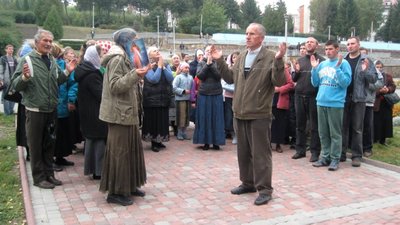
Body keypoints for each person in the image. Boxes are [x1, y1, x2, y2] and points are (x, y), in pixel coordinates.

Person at [210, 23, 286, 205]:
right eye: (246, 34)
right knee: (243, 152)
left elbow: (279, 80)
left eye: (252, 34)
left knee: (261, 154)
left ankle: (265, 189)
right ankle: (248, 182)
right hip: (240, 112)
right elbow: (230, 78)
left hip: (259, 113)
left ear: (261, 37)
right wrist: (219, 60)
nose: (247, 37)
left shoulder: (269, 57)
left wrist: (279, 60)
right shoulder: (242, 55)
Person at [10, 29, 77, 189]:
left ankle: (49, 175)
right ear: (37, 42)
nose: (48, 44)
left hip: (51, 109)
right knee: (36, 145)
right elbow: (15, 84)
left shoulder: (51, 60)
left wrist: (67, 71)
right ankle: (39, 178)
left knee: (49, 144)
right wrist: (25, 77)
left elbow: (58, 80)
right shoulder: (27, 59)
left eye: (50, 41)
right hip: (35, 110)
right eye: (45, 40)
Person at [99, 28, 149, 206]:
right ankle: (116, 192)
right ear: (127, 40)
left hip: (128, 113)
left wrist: (137, 75)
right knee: (120, 153)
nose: (137, 41)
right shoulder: (118, 59)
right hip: (119, 114)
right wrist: (135, 75)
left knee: (132, 151)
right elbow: (114, 86)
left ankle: (129, 185)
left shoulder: (126, 57)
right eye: (134, 38)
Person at [311, 40, 352, 171]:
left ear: (337, 49)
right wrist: (314, 69)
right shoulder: (322, 64)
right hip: (321, 101)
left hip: (335, 103)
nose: (328, 51)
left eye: (330, 49)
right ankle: (325, 157)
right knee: (323, 132)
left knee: (335, 133)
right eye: (326, 49)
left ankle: (335, 159)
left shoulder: (344, 64)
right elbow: (315, 83)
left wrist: (338, 68)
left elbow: (345, 83)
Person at [341, 36, 377, 167]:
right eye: (348, 44)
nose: (350, 46)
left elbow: (374, 79)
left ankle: (356, 155)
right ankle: (341, 153)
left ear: (358, 45)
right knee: (342, 127)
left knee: (357, 128)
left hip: (359, 98)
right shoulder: (343, 60)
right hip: (343, 98)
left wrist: (366, 70)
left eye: (352, 43)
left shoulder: (366, 60)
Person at [74, 45, 107, 180]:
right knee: (99, 141)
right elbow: (101, 95)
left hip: (88, 112)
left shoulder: (84, 70)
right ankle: (98, 171)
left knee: (92, 141)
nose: (102, 58)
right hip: (95, 113)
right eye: (100, 55)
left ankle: (93, 169)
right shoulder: (92, 74)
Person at [292, 37, 325, 162]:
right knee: (299, 124)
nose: (309, 43)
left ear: (317, 45)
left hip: (314, 96)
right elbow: (294, 79)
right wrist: (296, 72)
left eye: (312, 42)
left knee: (314, 126)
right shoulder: (299, 60)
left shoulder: (322, 61)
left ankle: (315, 152)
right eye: (307, 42)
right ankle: (300, 150)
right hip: (299, 95)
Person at [141, 46, 174, 152]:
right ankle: (154, 142)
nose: (158, 52)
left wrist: (163, 67)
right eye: (155, 51)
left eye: (158, 50)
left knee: (161, 121)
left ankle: (159, 141)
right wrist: (159, 67)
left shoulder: (166, 64)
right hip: (151, 99)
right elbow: (153, 79)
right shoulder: (147, 65)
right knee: (153, 121)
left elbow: (170, 78)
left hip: (163, 97)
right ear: (149, 55)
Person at [193, 45, 225, 150]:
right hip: (204, 93)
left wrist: (211, 64)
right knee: (204, 118)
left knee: (217, 118)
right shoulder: (201, 63)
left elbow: (218, 76)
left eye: (210, 51)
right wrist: (207, 65)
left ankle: (216, 142)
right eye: (206, 51)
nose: (208, 53)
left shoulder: (218, 63)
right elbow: (200, 76)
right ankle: (206, 142)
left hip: (216, 93)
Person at [53, 45, 77, 168]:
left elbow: (73, 83)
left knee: (62, 133)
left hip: (63, 105)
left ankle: (60, 157)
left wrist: (71, 100)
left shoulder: (62, 64)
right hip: (51, 106)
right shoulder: (48, 64)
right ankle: (52, 159)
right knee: (53, 134)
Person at [271, 62, 294, 153]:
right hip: (267, 99)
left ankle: (278, 144)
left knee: (279, 123)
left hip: (280, 99)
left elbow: (290, 84)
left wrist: (279, 89)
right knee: (268, 123)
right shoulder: (266, 70)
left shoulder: (284, 71)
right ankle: (268, 143)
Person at [373, 60, 396, 146]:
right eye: (377, 67)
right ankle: (375, 139)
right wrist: (379, 91)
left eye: (380, 67)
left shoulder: (388, 76)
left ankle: (383, 140)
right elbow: (370, 89)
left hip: (386, 103)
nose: (379, 69)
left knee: (386, 122)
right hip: (376, 102)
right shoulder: (372, 76)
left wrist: (388, 89)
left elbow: (393, 86)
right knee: (376, 122)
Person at [172, 62, 194, 140]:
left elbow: (192, 89)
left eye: (188, 68)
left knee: (186, 116)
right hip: (180, 100)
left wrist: (193, 99)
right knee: (181, 116)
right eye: (185, 67)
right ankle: (179, 133)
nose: (187, 69)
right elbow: (174, 88)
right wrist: (183, 91)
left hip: (187, 99)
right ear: (181, 68)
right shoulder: (178, 77)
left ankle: (184, 132)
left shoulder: (191, 77)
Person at [222, 51, 239, 144]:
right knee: (229, 115)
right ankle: (230, 132)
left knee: (236, 115)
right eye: (234, 57)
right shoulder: (228, 69)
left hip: (238, 96)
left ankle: (236, 134)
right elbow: (224, 82)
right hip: (228, 96)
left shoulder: (242, 68)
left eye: (237, 57)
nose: (235, 59)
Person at [0, 44, 18, 115]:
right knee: (6, 97)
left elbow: (17, 70)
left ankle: (11, 111)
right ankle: (7, 113)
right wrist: (1, 79)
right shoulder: (3, 58)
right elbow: (1, 69)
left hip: (13, 81)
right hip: (6, 81)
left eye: (12, 49)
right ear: (6, 50)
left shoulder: (14, 58)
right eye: (9, 49)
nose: (11, 50)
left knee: (13, 96)